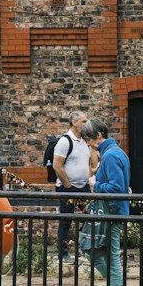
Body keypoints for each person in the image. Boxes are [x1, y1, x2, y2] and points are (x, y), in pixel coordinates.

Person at [80, 120, 132, 286]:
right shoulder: (116, 152)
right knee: (98, 252)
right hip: (114, 212)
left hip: (111, 213)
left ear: (99, 135)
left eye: (90, 139)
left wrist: (95, 183)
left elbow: (116, 188)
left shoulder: (110, 155)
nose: (90, 144)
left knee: (106, 257)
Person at [52, 111, 91, 264]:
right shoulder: (65, 141)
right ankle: (62, 255)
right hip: (67, 187)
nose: (86, 124)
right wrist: (68, 185)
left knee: (89, 218)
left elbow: (88, 163)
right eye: (83, 121)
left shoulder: (84, 141)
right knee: (66, 220)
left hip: (83, 186)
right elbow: (57, 165)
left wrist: (88, 181)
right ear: (74, 122)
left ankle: (83, 249)